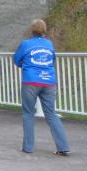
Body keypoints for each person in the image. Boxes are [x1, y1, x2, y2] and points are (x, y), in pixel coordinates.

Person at [13, 19, 70, 156]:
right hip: (49, 82)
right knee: (51, 114)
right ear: (44, 30)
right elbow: (52, 60)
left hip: (31, 82)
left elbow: (16, 60)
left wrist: (26, 66)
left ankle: (28, 147)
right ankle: (63, 147)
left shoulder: (25, 44)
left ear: (31, 30)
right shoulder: (49, 43)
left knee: (28, 113)